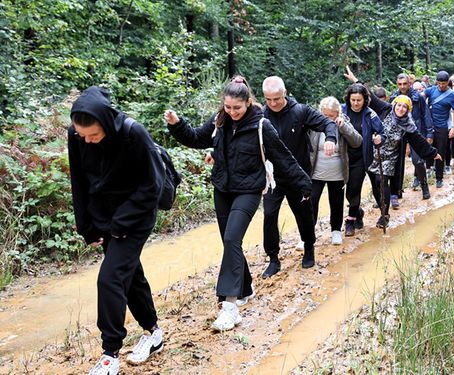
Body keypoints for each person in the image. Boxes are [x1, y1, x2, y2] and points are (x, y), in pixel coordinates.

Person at [165, 77, 312, 331]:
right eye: (228, 107)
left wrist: (305, 184)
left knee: (233, 238)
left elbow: (283, 158)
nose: (232, 112)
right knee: (228, 240)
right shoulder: (219, 121)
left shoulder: (261, 125)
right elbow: (196, 139)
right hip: (222, 189)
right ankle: (245, 288)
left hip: (249, 190)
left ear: (248, 103)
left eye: (237, 108)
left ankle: (230, 306)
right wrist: (177, 125)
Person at [68, 86, 165, 375]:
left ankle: (110, 355)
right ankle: (153, 332)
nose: (87, 141)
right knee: (129, 274)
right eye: (82, 136)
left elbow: (153, 186)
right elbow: (79, 181)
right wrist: (85, 225)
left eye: (94, 136)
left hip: (135, 216)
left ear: (107, 124)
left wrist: (122, 222)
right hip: (104, 216)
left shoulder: (134, 134)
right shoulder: (77, 134)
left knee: (109, 279)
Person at [260, 76, 338, 277]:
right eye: (269, 99)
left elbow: (328, 124)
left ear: (284, 93)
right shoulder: (260, 116)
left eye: (277, 98)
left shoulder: (300, 111)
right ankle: (273, 259)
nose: (273, 103)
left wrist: (330, 139)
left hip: (298, 175)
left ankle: (309, 248)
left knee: (304, 214)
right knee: (269, 215)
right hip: (273, 177)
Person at [366, 94, 442, 225]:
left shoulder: (408, 125)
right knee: (375, 186)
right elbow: (370, 97)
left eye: (404, 107)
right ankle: (382, 208)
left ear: (408, 110)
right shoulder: (385, 110)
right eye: (399, 105)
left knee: (381, 180)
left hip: (390, 158)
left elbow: (419, 142)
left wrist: (432, 153)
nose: (401, 109)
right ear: (394, 104)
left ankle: (385, 215)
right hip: (374, 154)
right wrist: (355, 80)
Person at [310, 97, 362, 245]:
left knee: (336, 202)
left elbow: (357, 142)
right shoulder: (314, 124)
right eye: (325, 116)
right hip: (316, 172)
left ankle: (336, 231)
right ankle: (307, 234)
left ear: (337, 113)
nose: (328, 119)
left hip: (337, 172)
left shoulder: (344, 122)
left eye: (331, 116)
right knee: (311, 202)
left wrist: (344, 127)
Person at [340, 79, 385, 236]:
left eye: (359, 100)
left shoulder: (369, 114)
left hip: (365, 156)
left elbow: (382, 132)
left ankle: (355, 220)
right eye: (353, 100)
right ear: (348, 99)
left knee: (375, 186)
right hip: (346, 156)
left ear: (365, 100)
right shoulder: (342, 111)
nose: (356, 103)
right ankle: (357, 214)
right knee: (351, 190)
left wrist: (379, 138)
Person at [388, 73, 432, 209]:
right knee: (397, 164)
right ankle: (396, 192)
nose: (402, 87)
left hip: (414, 132)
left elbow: (425, 115)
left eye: (405, 84)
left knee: (417, 161)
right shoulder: (394, 97)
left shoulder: (417, 97)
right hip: (398, 135)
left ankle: (424, 185)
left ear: (409, 83)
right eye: (400, 84)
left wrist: (429, 132)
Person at [423, 71, 454, 189]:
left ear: (448, 82)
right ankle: (428, 170)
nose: (442, 86)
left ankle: (439, 178)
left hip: (443, 127)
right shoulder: (431, 90)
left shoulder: (452, 95)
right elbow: (421, 97)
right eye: (440, 83)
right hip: (429, 126)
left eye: (444, 83)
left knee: (441, 151)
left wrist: (453, 127)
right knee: (427, 148)